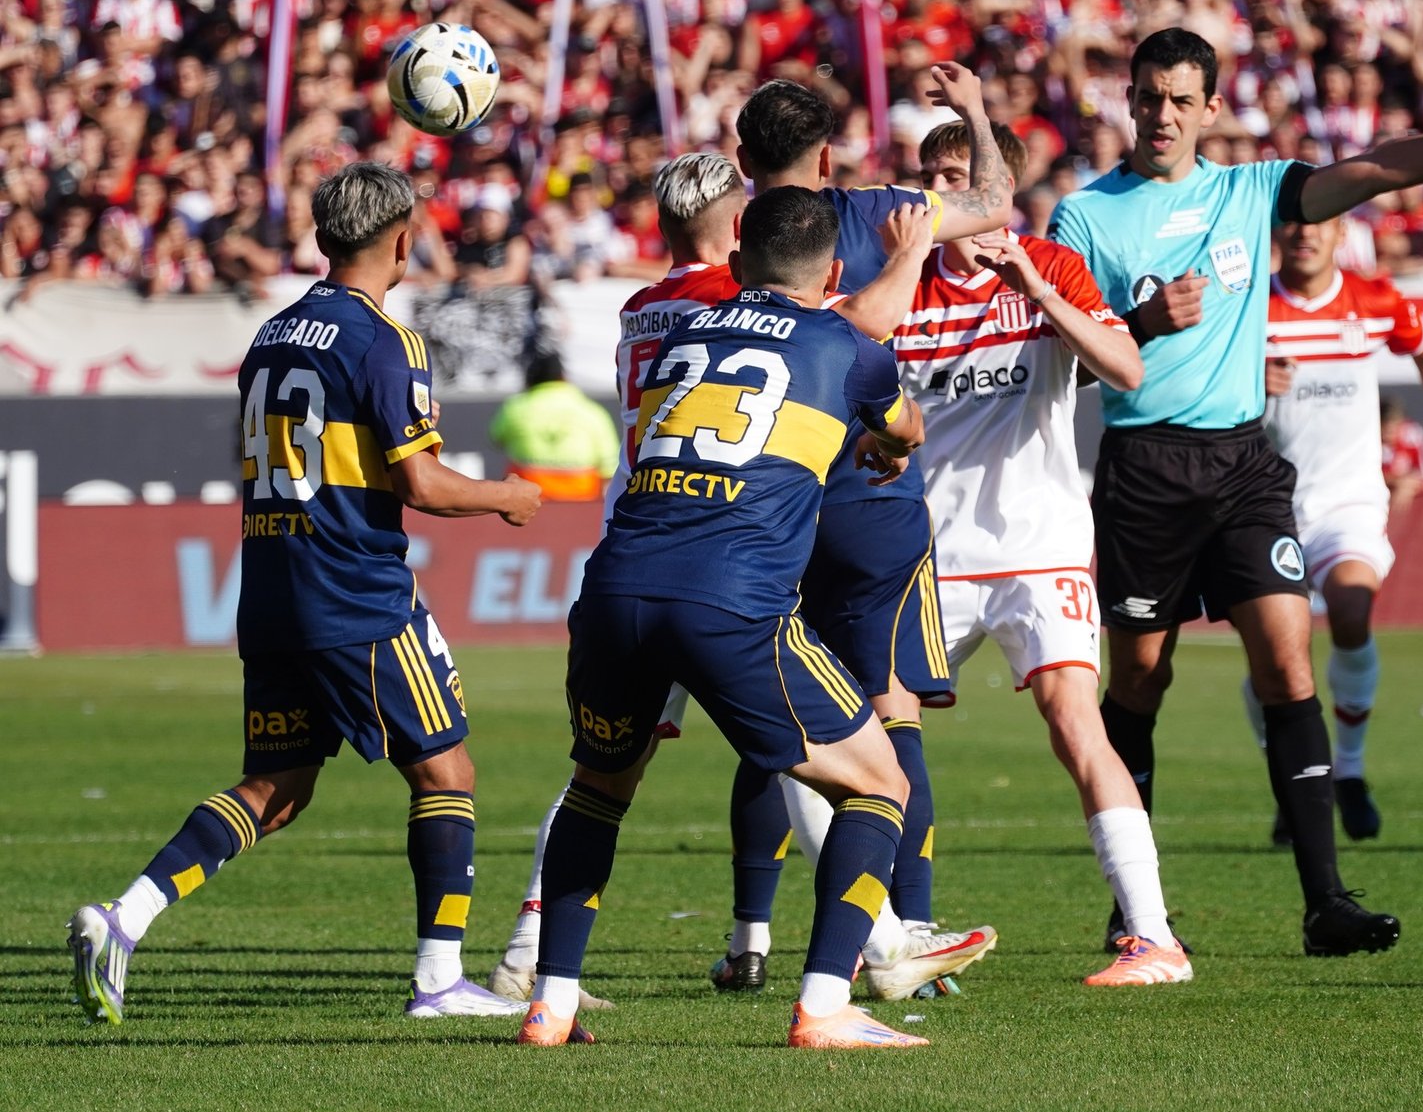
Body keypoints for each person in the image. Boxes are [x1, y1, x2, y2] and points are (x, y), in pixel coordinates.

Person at [1047, 27, 1423, 956]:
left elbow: (1372, 170)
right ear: (1127, 99)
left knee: (1288, 664)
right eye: (1148, 95)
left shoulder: (1253, 192)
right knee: (1139, 682)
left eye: (1180, 99)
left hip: (1245, 466)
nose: (1162, 114)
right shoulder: (1084, 219)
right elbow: (1065, 363)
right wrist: (1139, 321)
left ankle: (1327, 902)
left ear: (1211, 109)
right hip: (1143, 471)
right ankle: (1135, 908)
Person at [488, 150, 991, 1010]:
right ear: (830, 272)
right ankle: (845, 988)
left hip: (616, 577)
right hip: (732, 589)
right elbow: (894, 411)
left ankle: (547, 993)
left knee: (601, 785)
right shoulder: (836, 334)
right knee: (874, 780)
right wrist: (882, 416)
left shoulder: (661, 318)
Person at [66, 162, 544, 1025]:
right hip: (355, 591)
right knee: (446, 769)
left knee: (279, 785)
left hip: (273, 588)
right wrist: (509, 496)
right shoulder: (382, 339)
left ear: (324, 239)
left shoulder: (272, 335)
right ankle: (439, 981)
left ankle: (120, 920)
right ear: (403, 241)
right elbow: (423, 485)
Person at [722, 68, 1013, 1000]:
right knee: (890, 708)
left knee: (780, 721)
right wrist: (971, 113)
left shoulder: (739, 246)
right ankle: (902, 928)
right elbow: (999, 201)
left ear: (742, 162)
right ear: (827, 156)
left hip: (760, 508)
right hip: (867, 496)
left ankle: (765, 930)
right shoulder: (888, 209)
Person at [897, 120, 1191, 986]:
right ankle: (908, 936)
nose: (943, 190)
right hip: (933, 553)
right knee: (878, 730)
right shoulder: (901, 286)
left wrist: (1038, 288)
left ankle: (1153, 936)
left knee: (1076, 723)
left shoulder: (1050, 266)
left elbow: (1127, 368)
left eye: (962, 173)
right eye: (932, 176)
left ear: (1001, 186)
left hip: (1040, 546)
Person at [1245, 215, 1423, 844]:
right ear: (1276, 234)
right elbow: (1193, 380)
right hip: (1264, 506)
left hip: (1348, 501)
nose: (1305, 234)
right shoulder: (1249, 309)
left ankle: (1348, 770)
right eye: (1291, 223)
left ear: (1341, 230)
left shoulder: (1373, 299)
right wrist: (1247, 383)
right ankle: (1295, 783)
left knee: (1350, 607)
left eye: (1319, 222)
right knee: (1276, 657)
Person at [488, 349, 620, 502]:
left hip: (529, 497)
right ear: (563, 377)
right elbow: (610, 465)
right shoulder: (592, 411)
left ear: (528, 380)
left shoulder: (514, 407)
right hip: (582, 498)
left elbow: (495, 439)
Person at [1380, 395, 1423, 516]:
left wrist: (1409, 485)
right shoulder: (1369, 440)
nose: (1387, 434)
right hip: (1378, 497)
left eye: (1393, 427)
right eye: (1384, 427)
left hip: (1413, 494)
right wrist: (1397, 481)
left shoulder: (1413, 436)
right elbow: (1361, 477)